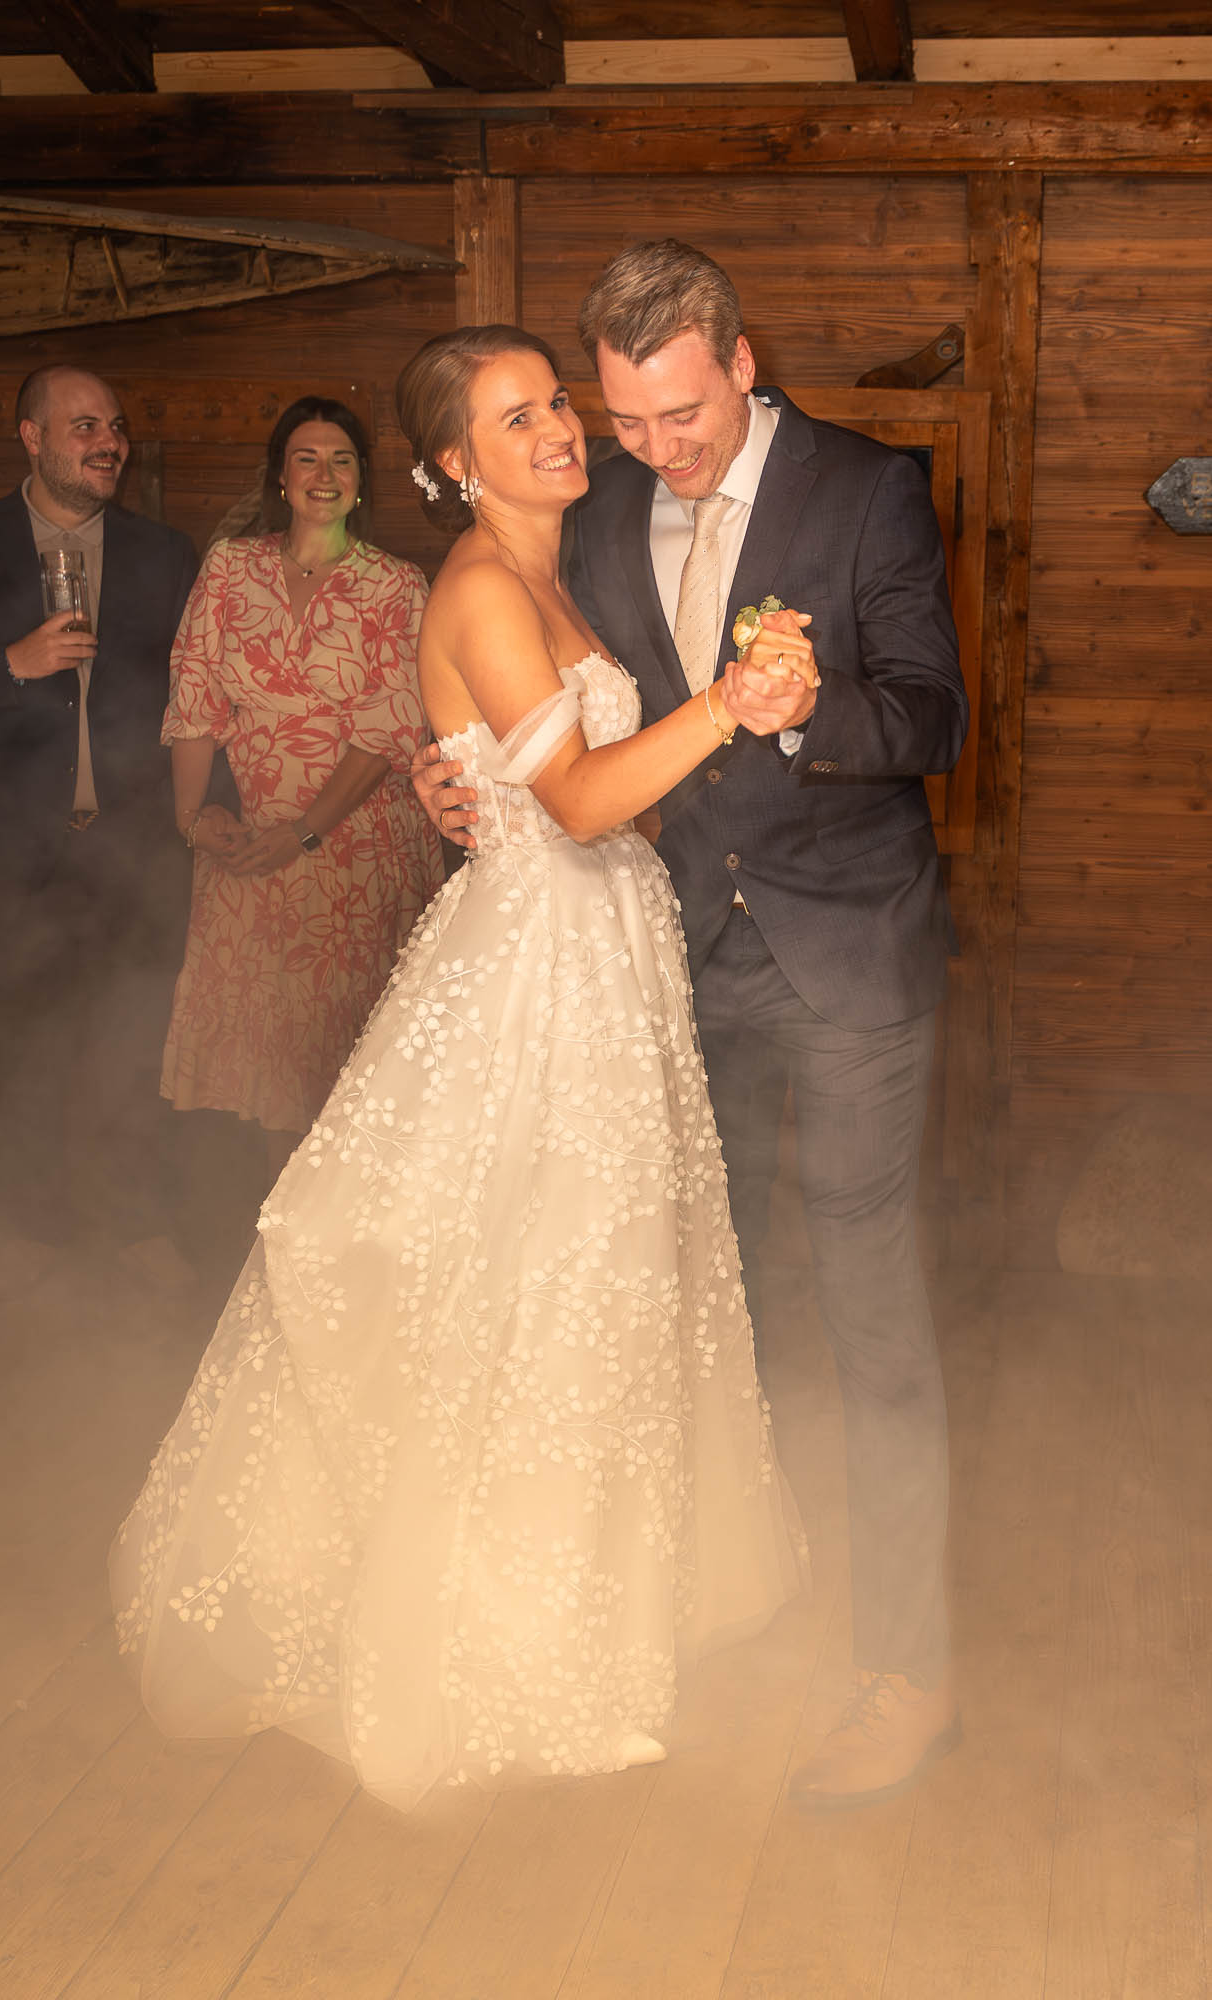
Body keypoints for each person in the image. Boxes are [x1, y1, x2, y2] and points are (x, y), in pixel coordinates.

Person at [110, 326, 806, 1812]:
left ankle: (587, 1615)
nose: (556, 428)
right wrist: (724, 707)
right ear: (451, 464)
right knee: (535, 1279)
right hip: (536, 972)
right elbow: (575, 806)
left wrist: (496, 768)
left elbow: (583, 796)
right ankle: (500, 1644)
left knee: (602, 1284)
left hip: (606, 954)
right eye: (513, 418)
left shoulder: (561, 564)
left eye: (554, 401)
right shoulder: (485, 585)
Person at [414, 242, 969, 1810]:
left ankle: (907, 1671)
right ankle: (737, 1590)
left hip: (849, 958)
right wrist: (444, 772)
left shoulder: (865, 489)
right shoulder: (585, 505)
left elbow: (935, 713)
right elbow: (516, 680)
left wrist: (812, 711)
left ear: (739, 361)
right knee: (703, 1302)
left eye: (683, 416)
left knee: (868, 1311)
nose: (654, 450)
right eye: (625, 421)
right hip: (665, 971)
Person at [0, 364, 199, 1257]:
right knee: (17, 1054)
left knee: (127, 1051)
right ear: (31, 437)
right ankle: (27, 1246)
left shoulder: (165, 554)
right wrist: (8, 666)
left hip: (131, 854)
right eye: (84, 426)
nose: (109, 442)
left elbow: (198, 702)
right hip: (5, 857)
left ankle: (122, 1241)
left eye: (116, 426)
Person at [158, 397, 442, 1166]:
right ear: (279, 477)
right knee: (262, 1069)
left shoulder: (396, 585)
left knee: (347, 1069)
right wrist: (193, 818)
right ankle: (262, 1222)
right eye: (307, 458)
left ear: (361, 481)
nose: (324, 474)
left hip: (357, 849)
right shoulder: (229, 567)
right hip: (248, 845)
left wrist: (305, 832)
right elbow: (194, 700)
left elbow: (388, 726)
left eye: (341, 459)